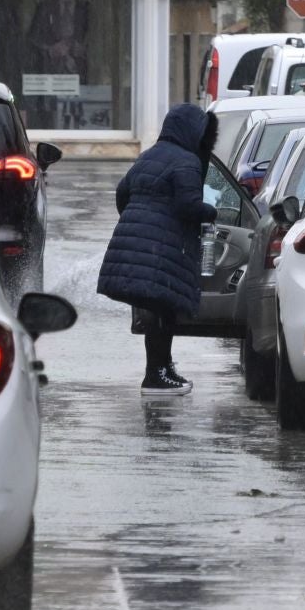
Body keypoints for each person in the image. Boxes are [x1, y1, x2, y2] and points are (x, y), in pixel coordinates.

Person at [97, 103, 220, 396]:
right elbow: (187, 206)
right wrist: (212, 211)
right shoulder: (187, 161)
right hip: (164, 246)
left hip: (140, 242)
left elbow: (121, 193)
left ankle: (162, 367)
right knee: (163, 311)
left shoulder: (148, 155)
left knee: (156, 308)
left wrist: (137, 218)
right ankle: (156, 375)